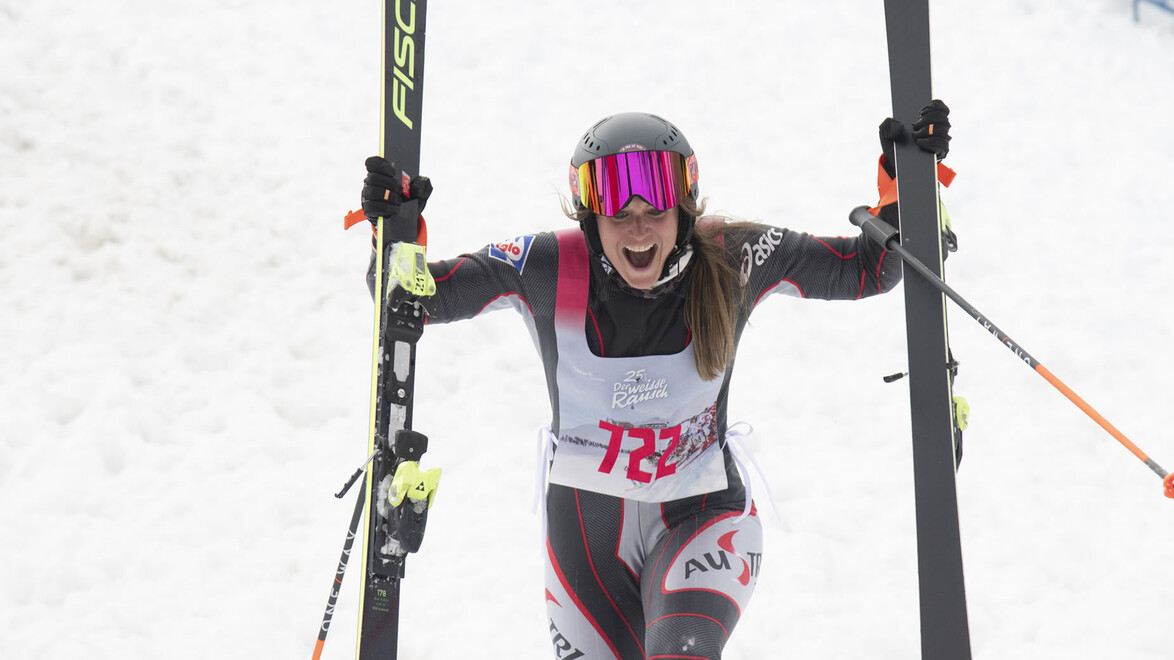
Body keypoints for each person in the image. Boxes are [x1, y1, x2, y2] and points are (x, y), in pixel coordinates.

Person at [358, 103, 951, 660]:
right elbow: (414, 301)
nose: (638, 232)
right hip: (587, 539)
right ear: (590, 218)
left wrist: (907, 191)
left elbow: (867, 271)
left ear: (684, 210)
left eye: (656, 213)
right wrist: (396, 230)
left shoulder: (736, 255)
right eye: (619, 215)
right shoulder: (544, 266)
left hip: (701, 515)